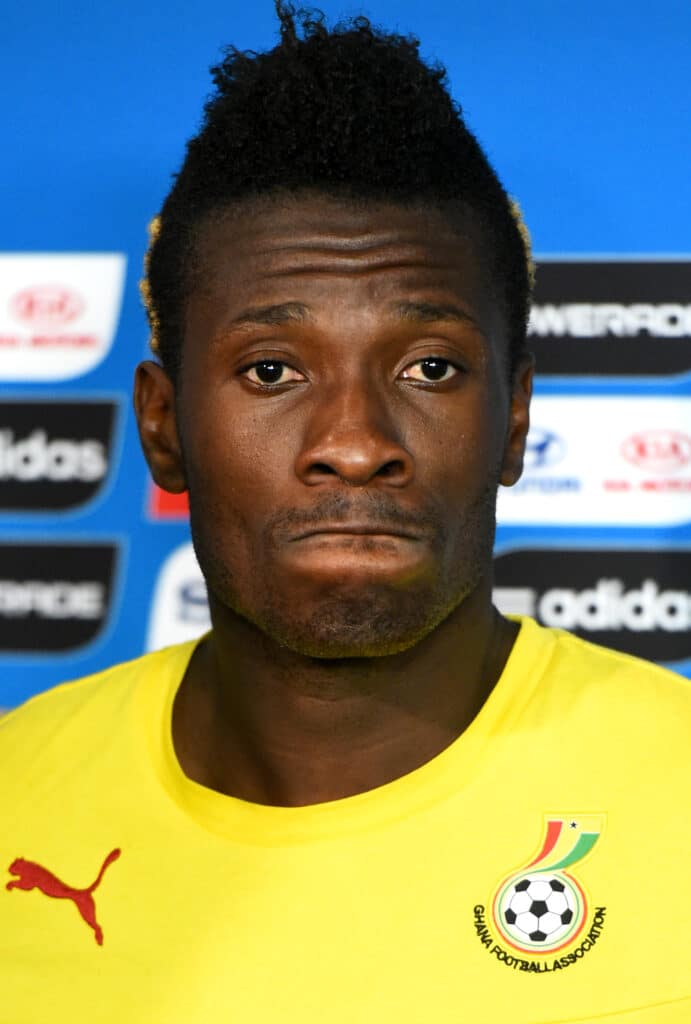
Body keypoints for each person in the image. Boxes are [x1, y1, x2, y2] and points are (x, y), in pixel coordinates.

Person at [1, 4, 689, 1020]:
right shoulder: (20, 791)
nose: (357, 440)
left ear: (513, 420)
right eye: (272, 369)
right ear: (164, 426)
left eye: (429, 366)